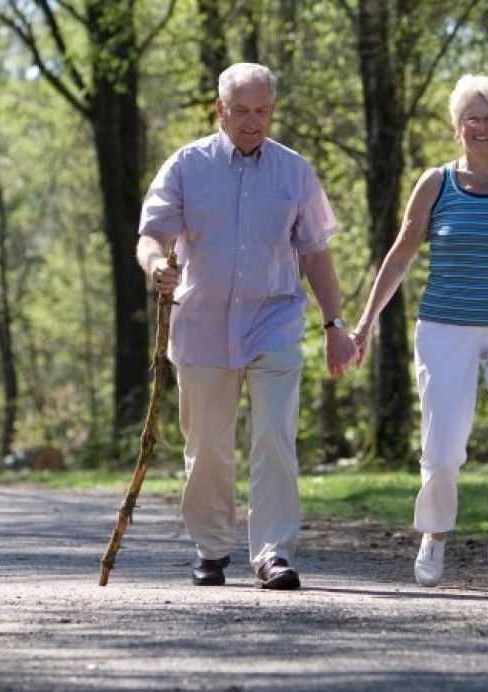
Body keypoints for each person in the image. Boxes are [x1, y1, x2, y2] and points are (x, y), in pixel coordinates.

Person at [350, 74, 488, 596]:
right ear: (457, 126)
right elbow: (402, 253)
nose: (481, 126)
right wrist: (365, 322)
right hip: (444, 327)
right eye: (471, 117)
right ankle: (434, 531)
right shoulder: (436, 183)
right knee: (443, 447)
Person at [136, 62, 357, 590]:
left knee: (275, 438)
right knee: (208, 444)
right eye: (241, 111)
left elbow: (316, 253)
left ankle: (273, 553)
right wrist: (154, 267)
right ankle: (211, 550)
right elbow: (150, 234)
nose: (253, 121)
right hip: (201, 325)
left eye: (262, 111)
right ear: (221, 110)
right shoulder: (186, 166)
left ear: (272, 111)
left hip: (274, 321)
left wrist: (334, 325)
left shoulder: (294, 171)